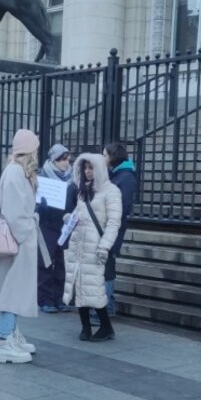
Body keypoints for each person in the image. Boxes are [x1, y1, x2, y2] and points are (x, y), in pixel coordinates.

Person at [0, 129, 42, 364]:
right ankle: (3, 340)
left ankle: (11, 335)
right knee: (12, 291)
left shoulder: (18, 171)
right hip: (18, 242)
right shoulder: (15, 173)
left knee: (14, 290)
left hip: (18, 240)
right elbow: (13, 213)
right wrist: (28, 230)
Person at [64, 153, 122, 341]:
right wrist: (69, 219)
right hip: (78, 244)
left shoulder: (111, 191)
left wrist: (104, 246)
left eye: (91, 168)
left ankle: (105, 326)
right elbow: (78, 213)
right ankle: (85, 327)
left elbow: (114, 222)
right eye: (85, 168)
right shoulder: (83, 190)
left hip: (96, 246)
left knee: (94, 287)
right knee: (79, 284)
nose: (88, 172)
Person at [102, 141, 137, 315]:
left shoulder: (126, 177)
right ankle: (108, 303)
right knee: (106, 264)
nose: (103, 158)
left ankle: (107, 305)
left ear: (113, 157)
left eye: (105, 155)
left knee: (108, 265)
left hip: (114, 227)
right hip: (107, 226)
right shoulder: (114, 174)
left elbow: (125, 205)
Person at [37, 143, 73, 313]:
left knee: (61, 264)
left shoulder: (72, 178)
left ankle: (59, 298)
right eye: (62, 159)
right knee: (45, 262)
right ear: (54, 160)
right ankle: (45, 299)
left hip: (64, 226)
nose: (66, 163)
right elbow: (35, 202)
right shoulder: (42, 176)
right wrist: (42, 207)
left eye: (67, 159)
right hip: (47, 225)